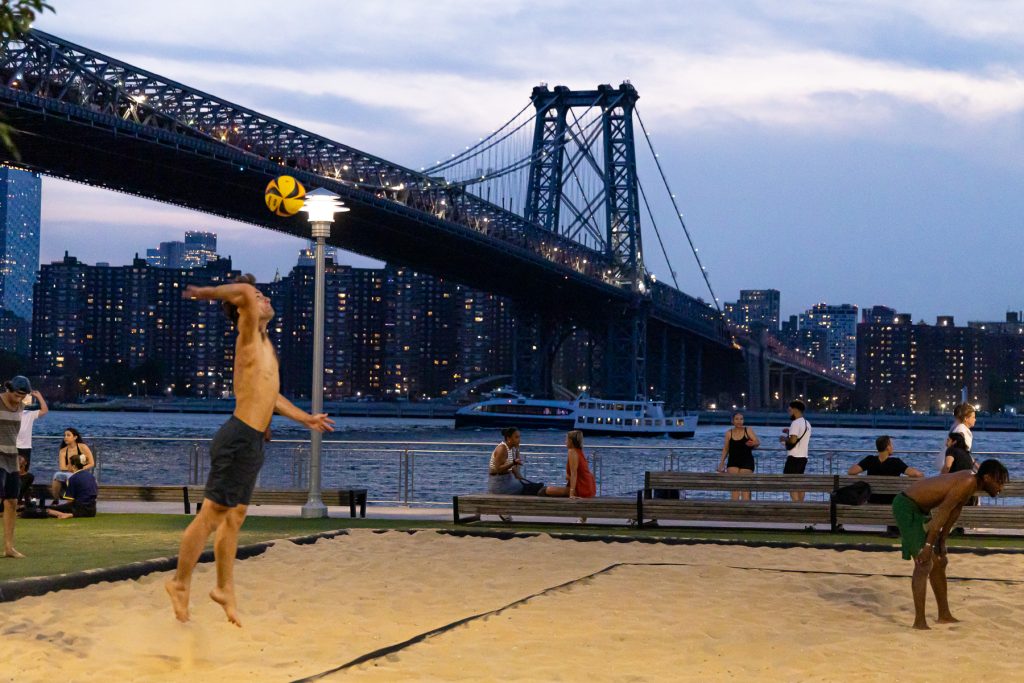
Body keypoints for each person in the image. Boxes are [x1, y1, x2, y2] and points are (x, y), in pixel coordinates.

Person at [166, 274, 335, 626]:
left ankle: (224, 588)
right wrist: (208, 292)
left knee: (235, 517)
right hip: (238, 438)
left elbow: (270, 396)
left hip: (253, 441)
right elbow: (241, 291)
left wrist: (306, 419)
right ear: (243, 308)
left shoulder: (264, 346)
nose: (264, 298)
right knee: (212, 515)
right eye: (259, 297)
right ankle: (180, 583)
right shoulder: (247, 336)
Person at [891, 459, 1007, 629]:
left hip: (920, 509)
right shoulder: (968, 481)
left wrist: (942, 541)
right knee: (924, 563)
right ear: (988, 478)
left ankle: (944, 615)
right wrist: (929, 546)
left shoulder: (972, 482)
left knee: (939, 562)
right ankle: (919, 621)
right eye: (999, 482)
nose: (1001, 488)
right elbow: (943, 512)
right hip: (906, 507)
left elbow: (955, 511)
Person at [0, 375, 31, 558]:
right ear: (9, 389)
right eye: (18, 394)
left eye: (23, 395)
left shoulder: (21, 406)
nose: (20, 398)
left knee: (12, 501)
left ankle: (9, 547)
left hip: (12, 455)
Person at [847, 435, 924, 503]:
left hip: (873, 500)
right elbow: (917, 474)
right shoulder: (896, 462)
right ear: (887, 447)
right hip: (891, 501)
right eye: (891, 445)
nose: (893, 447)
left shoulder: (869, 460)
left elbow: (851, 471)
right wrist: (920, 474)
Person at [540, 430, 596, 500]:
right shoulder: (578, 451)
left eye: (566, 439)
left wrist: (571, 494)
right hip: (588, 486)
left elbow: (574, 473)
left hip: (582, 488)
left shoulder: (572, 451)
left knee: (547, 490)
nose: (565, 442)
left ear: (571, 441)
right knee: (545, 490)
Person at [717, 412, 760, 500]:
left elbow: (757, 442)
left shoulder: (748, 430)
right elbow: (726, 448)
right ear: (732, 421)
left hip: (747, 461)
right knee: (735, 487)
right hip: (733, 461)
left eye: (741, 419)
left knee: (745, 487)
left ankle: (745, 510)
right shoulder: (729, 433)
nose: (739, 421)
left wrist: (753, 443)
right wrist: (721, 463)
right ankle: (735, 510)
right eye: (737, 419)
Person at [47, 452, 97, 519]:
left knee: (48, 509)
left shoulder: (73, 478)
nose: (67, 466)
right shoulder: (91, 476)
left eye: (69, 464)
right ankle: (71, 514)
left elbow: (70, 501)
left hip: (78, 508)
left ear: (74, 466)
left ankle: (66, 514)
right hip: (92, 510)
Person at [779, 400, 812, 501]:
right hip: (803, 457)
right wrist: (789, 431)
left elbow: (793, 440)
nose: (789, 412)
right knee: (799, 483)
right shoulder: (807, 423)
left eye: (790, 410)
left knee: (790, 483)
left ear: (795, 410)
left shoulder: (795, 423)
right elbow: (799, 437)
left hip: (794, 457)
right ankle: (801, 505)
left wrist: (783, 439)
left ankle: (796, 504)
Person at [52, 428, 95, 501]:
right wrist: (71, 468)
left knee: (73, 478)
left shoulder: (82, 447)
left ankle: (71, 503)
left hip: (82, 472)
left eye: (68, 435)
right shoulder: (63, 451)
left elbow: (91, 463)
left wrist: (78, 470)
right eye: (64, 435)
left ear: (75, 437)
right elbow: (62, 467)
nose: (65, 437)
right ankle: (56, 500)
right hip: (69, 472)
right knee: (57, 475)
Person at [488, 427, 526, 495]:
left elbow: (516, 469)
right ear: (509, 438)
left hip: (507, 482)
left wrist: (517, 450)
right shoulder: (502, 448)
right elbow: (498, 469)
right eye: (516, 437)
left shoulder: (510, 449)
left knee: (531, 487)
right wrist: (513, 463)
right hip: (499, 485)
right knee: (531, 489)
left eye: (519, 437)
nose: (519, 440)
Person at [16, 389, 47, 469]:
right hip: (10, 446)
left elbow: (44, 410)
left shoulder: (29, 414)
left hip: (25, 447)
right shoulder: (9, 413)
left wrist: (39, 396)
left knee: (24, 471)